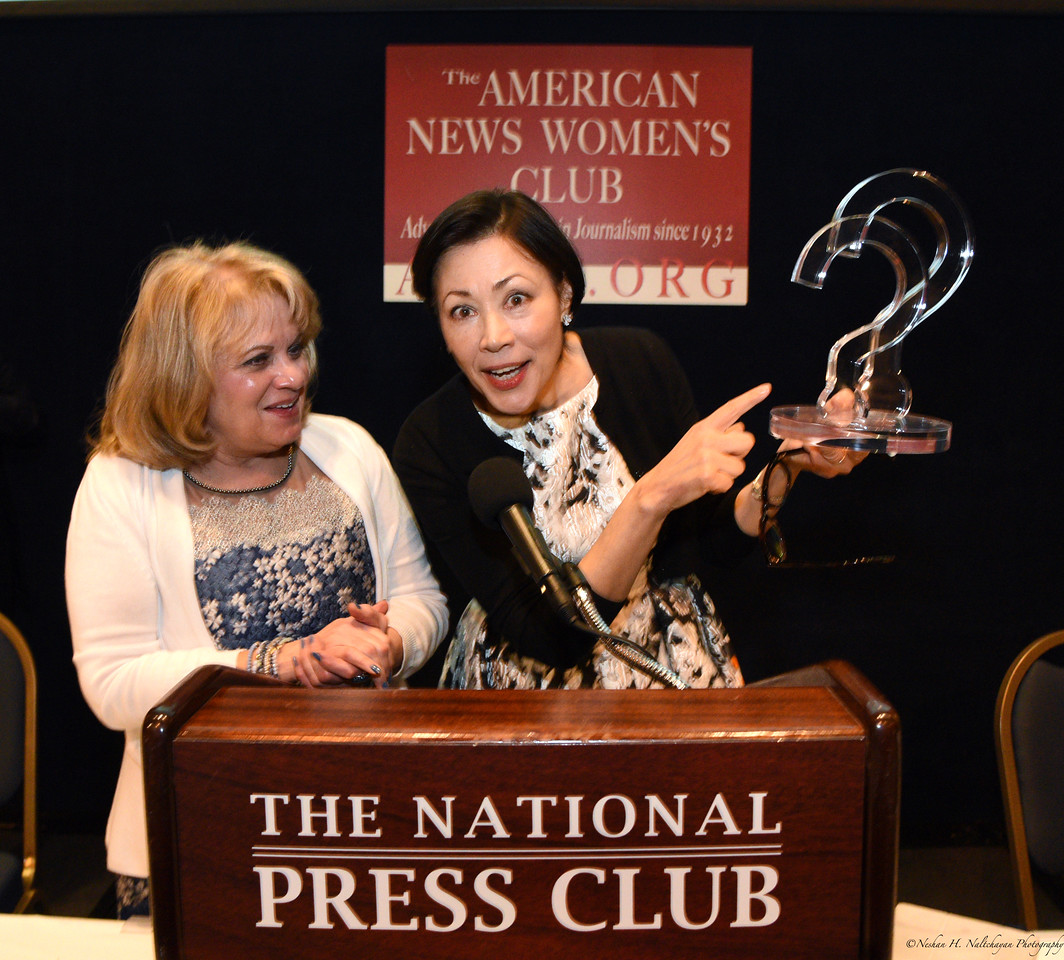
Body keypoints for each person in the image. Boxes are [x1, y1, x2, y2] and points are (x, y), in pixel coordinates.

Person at [66, 241, 448, 917]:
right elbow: (114, 684)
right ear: (184, 378)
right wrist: (280, 662)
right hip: (201, 844)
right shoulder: (121, 484)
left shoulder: (350, 450)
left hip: (370, 829)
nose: (293, 376)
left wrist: (391, 645)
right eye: (257, 361)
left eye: (296, 348)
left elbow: (423, 602)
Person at [393, 189, 860, 691]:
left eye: (517, 299)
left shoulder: (640, 363)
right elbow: (553, 637)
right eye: (462, 311)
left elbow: (713, 540)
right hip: (519, 701)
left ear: (565, 296)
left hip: (665, 671)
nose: (493, 336)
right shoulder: (429, 441)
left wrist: (787, 467)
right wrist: (649, 499)